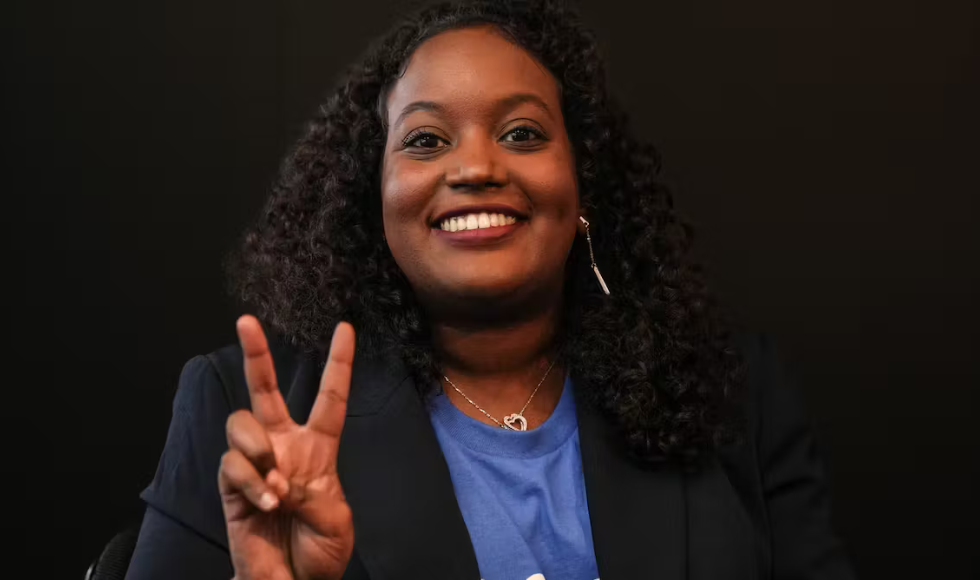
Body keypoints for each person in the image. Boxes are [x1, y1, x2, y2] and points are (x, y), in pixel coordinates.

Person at [125, 0, 856, 578]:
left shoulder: (733, 393)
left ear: (584, 187)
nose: (474, 166)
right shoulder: (243, 410)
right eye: (425, 139)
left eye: (522, 133)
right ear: (371, 197)